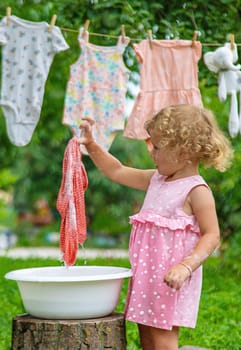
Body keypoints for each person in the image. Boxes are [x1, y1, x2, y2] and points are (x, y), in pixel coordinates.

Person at [78, 104, 233, 350]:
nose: (151, 151)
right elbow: (117, 171)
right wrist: (92, 146)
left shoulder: (196, 191)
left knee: (162, 342)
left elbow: (212, 235)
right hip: (146, 279)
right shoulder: (156, 180)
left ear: (184, 152)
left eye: (158, 146)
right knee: (148, 340)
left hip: (171, 279)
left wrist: (185, 267)